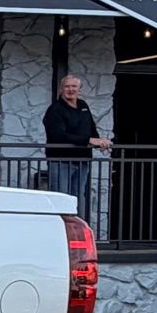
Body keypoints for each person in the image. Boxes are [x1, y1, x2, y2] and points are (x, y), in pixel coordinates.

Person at [43, 75, 111, 221]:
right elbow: (58, 136)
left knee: (78, 199)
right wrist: (89, 140)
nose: (71, 90)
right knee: (61, 198)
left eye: (74, 86)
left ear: (80, 89)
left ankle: (78, 236)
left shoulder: (83, 105)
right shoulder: (55, 110)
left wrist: (99, 142)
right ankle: (61, 234)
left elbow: (90, 128)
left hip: (82, 161)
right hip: (60, 161)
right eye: (67, 86)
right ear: (61, 90)